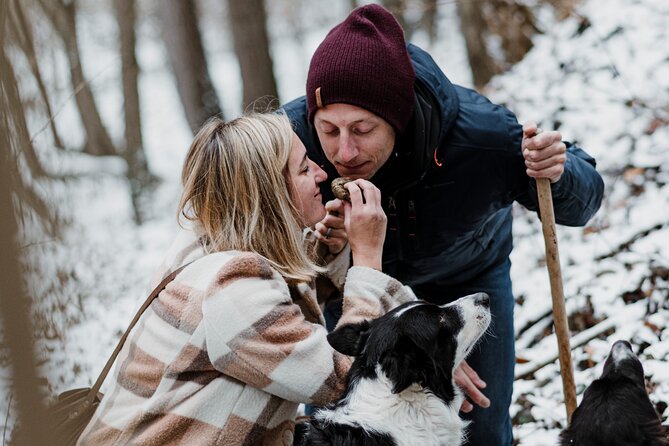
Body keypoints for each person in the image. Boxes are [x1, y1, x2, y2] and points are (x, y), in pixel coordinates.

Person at [282, 4, 605, 445]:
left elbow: (580, 207)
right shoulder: (289, 141)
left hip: (467, 279)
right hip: (355, 286)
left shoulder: (482, 139)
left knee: (481, 427)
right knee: (339, 429)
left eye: (363, 129)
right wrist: (315, 240)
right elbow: (256, 236)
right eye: (329, 129)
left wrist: (559, 171)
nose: (345, 152)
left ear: (398, 117)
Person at [77, 112, 416, 445]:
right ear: (268, 195)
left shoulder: (209, 241)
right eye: (302, 169)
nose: (321, 174)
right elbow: (351, 378)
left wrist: (327, 250)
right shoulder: (231, 286)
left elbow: (279, 306)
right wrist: (368, 257)